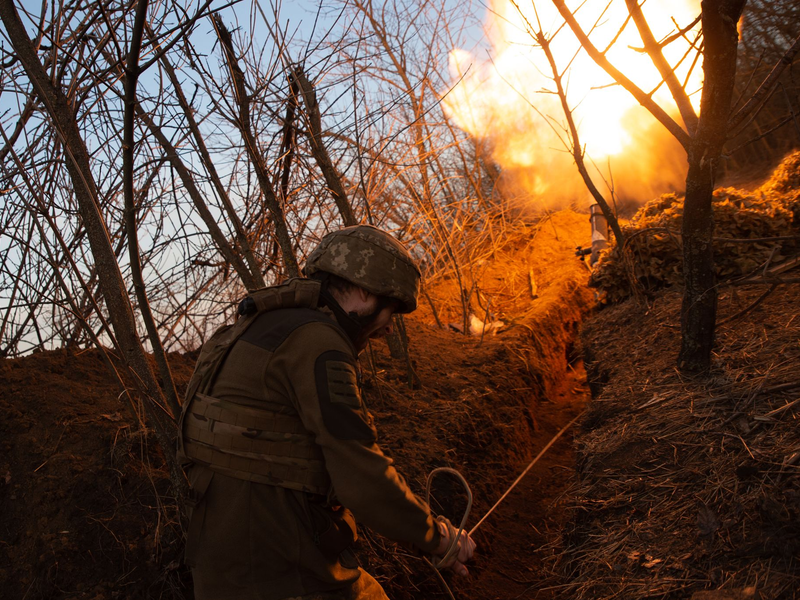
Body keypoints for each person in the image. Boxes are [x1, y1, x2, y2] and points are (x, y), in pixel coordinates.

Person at [178, 225, 476, 600]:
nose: (388, 327)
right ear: (365, 292)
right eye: (391, 310)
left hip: (223, 569)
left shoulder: (263, 325)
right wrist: (439, 538)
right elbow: (361, 474)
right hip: (279, 572)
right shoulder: (318, 342)